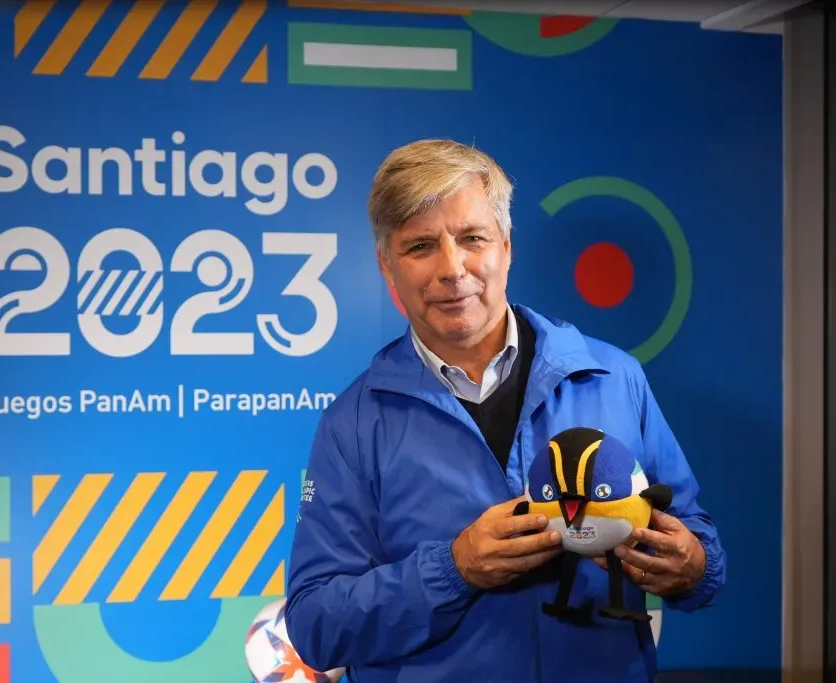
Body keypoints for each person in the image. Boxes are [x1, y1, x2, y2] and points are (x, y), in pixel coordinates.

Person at [283, 139, 726, 683]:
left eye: (472, 238)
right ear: (387, 266)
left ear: (506, 247)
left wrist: (691, 566)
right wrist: (455, 568)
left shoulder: (615, 378)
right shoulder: (353, 424)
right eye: (421, 246)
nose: (452, 268)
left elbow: (701, 553)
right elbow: (316, 625)